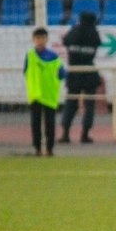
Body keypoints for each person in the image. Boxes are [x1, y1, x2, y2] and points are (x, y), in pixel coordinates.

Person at [59, 11, 103, 143]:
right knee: (89, 105)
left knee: (71, 104)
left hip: (74, 71)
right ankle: (85, 134)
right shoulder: (94, 34)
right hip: (89, 71)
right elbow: (98, 44)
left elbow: (65, 41)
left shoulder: (73, 32)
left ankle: (65, 134)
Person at [23, 27, 66, 156]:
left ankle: (49, 148)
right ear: (33, 39)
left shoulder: (54, 57)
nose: (40, 41)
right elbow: (26, 72)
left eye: (42, 38)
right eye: (37, 38)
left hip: (49, 95)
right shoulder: (30, 55)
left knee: (50, 123)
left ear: (46, 39)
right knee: (35, 123)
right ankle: (37, 148)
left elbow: (62, 73)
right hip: (35, 95)